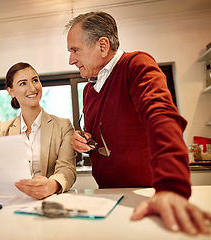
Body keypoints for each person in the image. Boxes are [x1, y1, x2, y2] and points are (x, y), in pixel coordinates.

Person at [65, 11, 211, 235]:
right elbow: (102, 133)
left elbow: (161, 117)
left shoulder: (136, 64)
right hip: (108, 196)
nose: (71, 60)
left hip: (150, 193)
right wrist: (83, 139)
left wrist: (171, 188)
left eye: (75, 50)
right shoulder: (88, 89)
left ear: (103, 46)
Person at [0, 62, 76, 200]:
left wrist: (52, 184)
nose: (32, 88)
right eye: (22, 83)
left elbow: (67, 169)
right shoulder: (3, 130)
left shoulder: (63, 126)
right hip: (13, 202)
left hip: (50, 201)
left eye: (35, 80)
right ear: (11, 91)